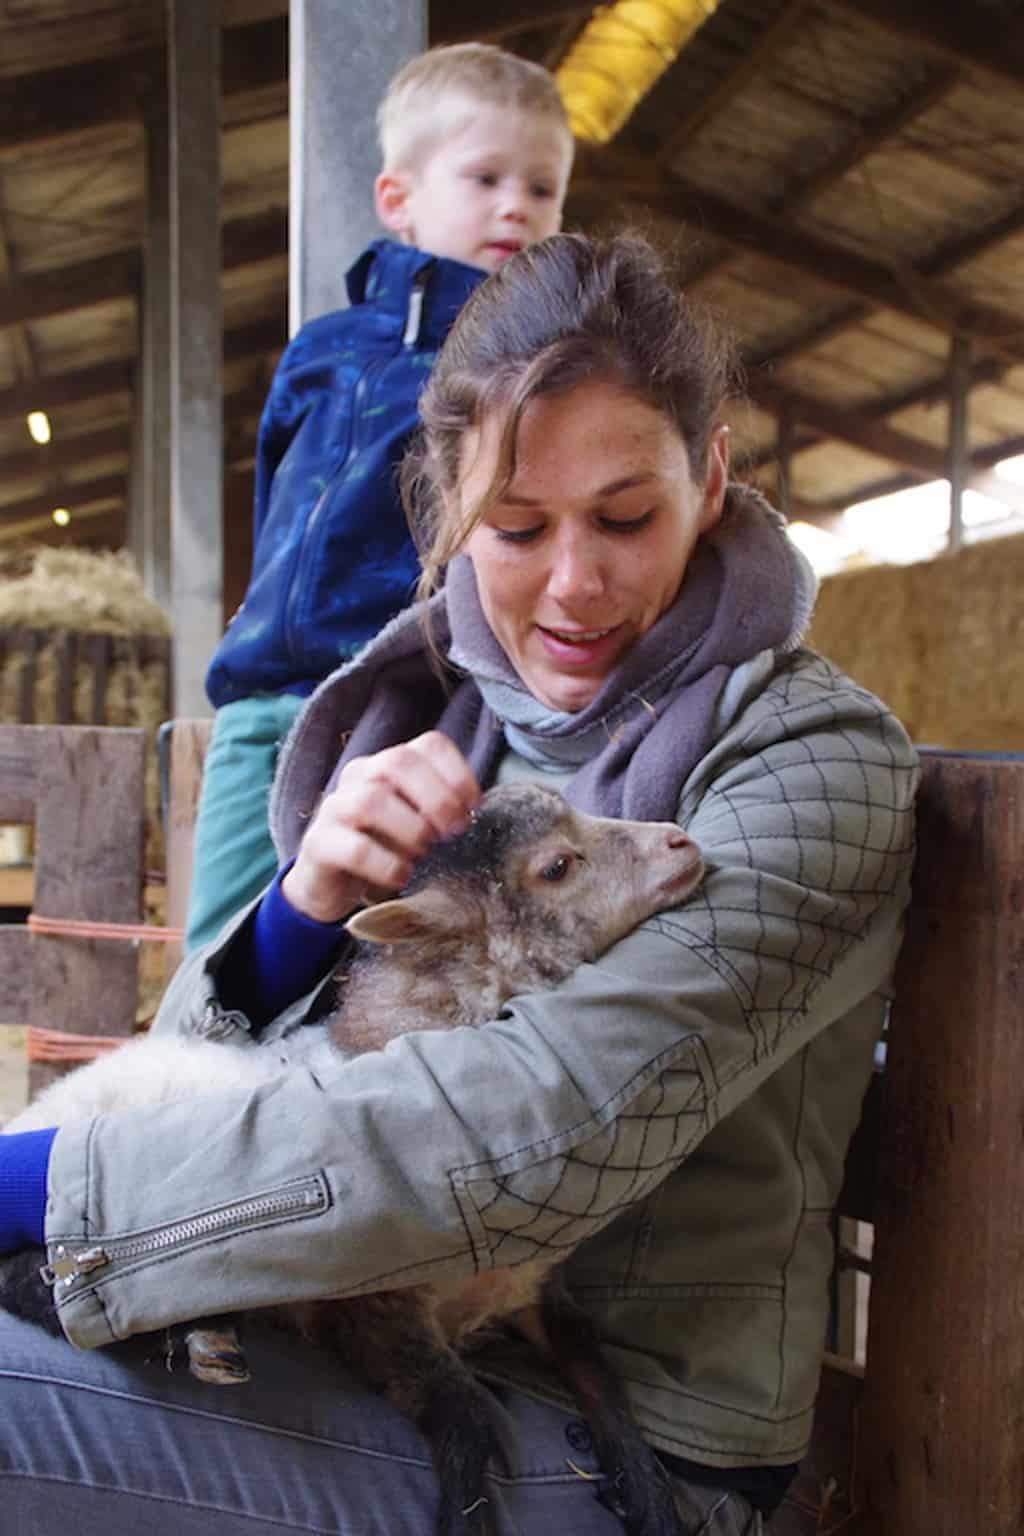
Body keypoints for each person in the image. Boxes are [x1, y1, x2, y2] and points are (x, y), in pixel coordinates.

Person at [0, 233, 919, 1535]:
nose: (573, 582)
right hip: (341, 1321)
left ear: (711, 479)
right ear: (444, 501)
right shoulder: (426, 714)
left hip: (602, 1419)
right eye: (517, 524)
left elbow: (538, 1124)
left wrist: (37, 1190)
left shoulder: (809, 768)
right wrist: (293, 922)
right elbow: (198, 1091)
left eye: (626, 515)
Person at [185, 41, 574, 950]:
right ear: (399, 199)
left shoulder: (534, 373)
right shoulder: (325, 349)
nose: (516, 203)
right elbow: (278, 499)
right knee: (221, 944)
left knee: (385, 943)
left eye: (543, 187)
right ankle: (198, 1088)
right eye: (484, 178)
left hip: (409, 705)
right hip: (270, 698)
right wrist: (260, 623)